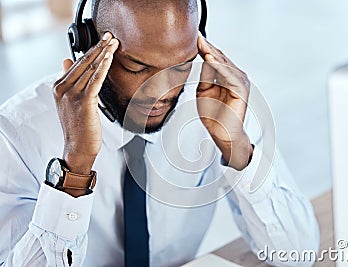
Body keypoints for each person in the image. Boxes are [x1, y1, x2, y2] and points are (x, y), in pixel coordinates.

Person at [0, 0, 319, 266]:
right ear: (88, 48)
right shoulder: (17, 133)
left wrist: (235, 144)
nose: (162, 91)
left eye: (180, 66)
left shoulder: (216, 100)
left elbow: (299, 253)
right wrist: (76, 166)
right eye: (138, 69)